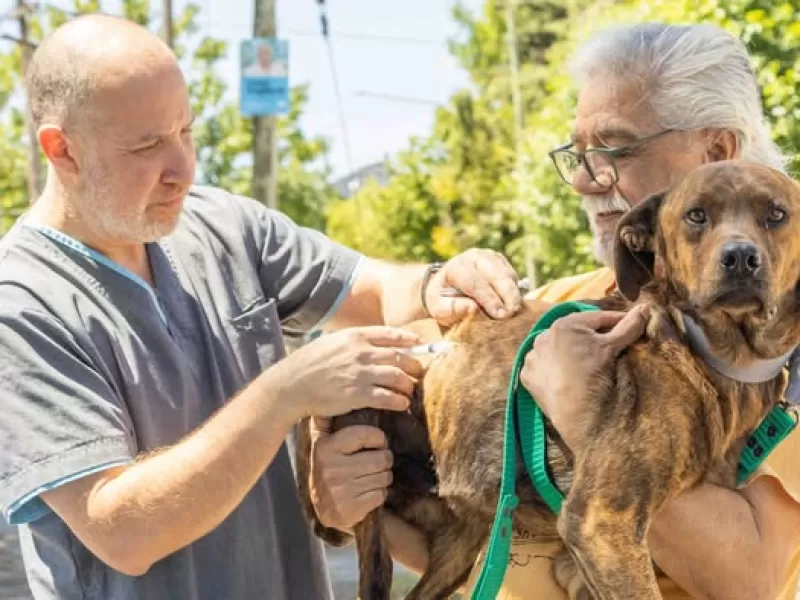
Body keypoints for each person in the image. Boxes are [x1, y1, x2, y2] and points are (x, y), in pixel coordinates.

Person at [0, 15, 524, 600]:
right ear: (61, 149)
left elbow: (373, 292)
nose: (182, 169)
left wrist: (438, 283)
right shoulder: (22, 304)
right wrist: (285, 394)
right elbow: (122, 531)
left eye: (186, 132)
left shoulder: (224, 225)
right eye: (147, 145)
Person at [310, 22, 800, 600]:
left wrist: (579, 410)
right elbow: (473, 530)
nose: (583, 180)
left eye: (615, 148)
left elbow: (748, 578)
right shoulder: (570, 306)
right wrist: (341, 496)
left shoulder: (777, 345)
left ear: (714, 151)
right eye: (579, 153)